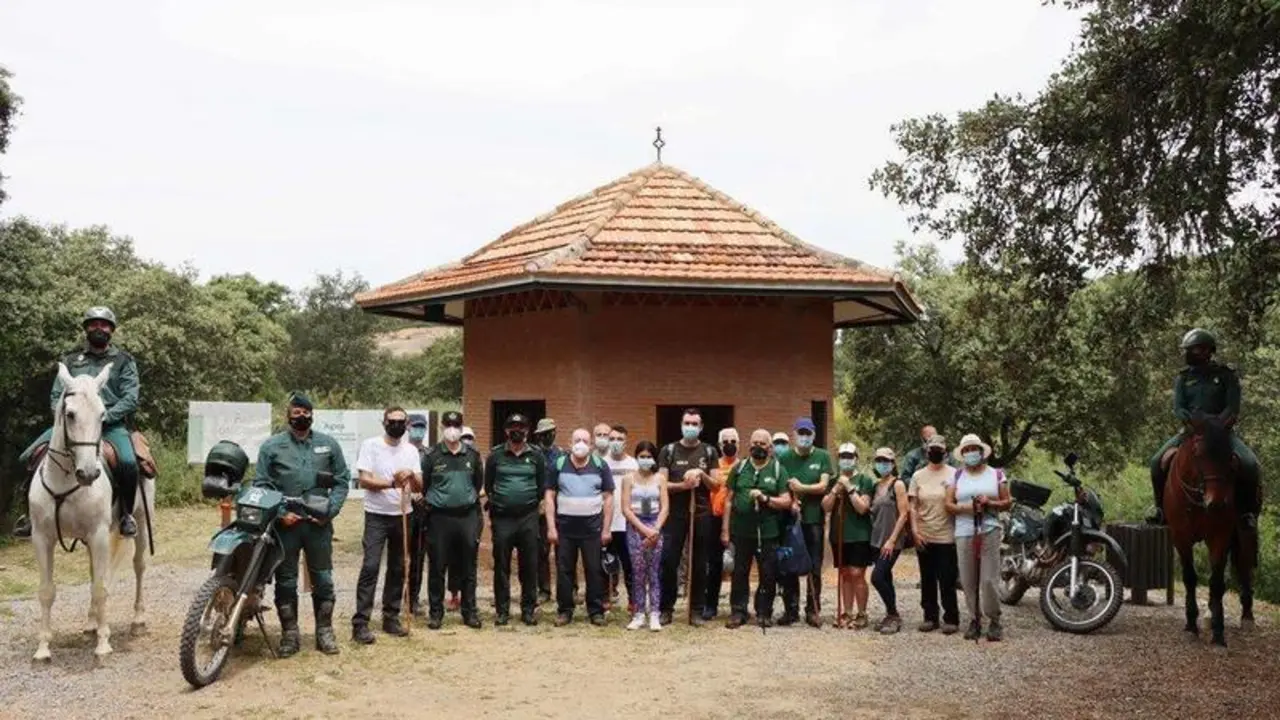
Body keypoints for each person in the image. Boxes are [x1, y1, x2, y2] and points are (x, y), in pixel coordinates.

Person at [16, 307, 142, 538]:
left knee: (128, 463)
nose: (98, 328)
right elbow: (57, 396)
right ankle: (29, 517)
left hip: (110, 426)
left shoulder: (123, 361)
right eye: (93, 323)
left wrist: (102, 418)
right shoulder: (71, 361)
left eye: (104, 324)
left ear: (111, 330)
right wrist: (66, 418)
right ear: (86, 328)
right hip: (71, 426)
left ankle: (125, 515)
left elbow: (130, 398)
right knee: (28, 457)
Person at [256, 393, 351, 656]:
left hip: (318, 524)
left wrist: (329, 511)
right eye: (296, 412)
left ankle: (325, 632)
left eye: (305, 412)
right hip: (285, 525)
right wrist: (280, 513)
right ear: (288, 414)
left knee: (323, 578)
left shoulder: (328, 444)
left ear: (312, 414)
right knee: (286, 580)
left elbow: (342, 480)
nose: (301, 416)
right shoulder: (271, 446)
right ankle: (290, 634)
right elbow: (261, 485)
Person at [1147, 328, 1261, 530]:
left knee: (1251, 464)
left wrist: (1215, 425)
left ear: (1208, 350)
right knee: (1157, 461)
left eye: (1194, 349)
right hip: (1191, 432)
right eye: (1187, 350)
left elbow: (1232, 408)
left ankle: (1247, 513)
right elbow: (1179, 407)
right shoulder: (1183, 378)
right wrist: (1191, 421)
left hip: (1222, 434)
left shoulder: (1226, 376)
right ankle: (1159, 509)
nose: (1188, 354)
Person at [351, 407, 423, 644]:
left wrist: (410, 475)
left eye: (401, 422)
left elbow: (420, 486)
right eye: (392, 421)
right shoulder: (371, 445)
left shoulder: (411, 450)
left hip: (403, 514)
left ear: (407, 424)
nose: (396, 425)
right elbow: (364, 480)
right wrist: (393, 482)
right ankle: (361, 622)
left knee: (398, 567)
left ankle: (390, 617)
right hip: (377, 516)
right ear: (384, 423)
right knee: (371, 566)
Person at [655, 408, 719, 626]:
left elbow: (716, 484)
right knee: (668, 561)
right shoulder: (669, 451)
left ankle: (696, 609)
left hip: (701, 513)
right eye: (687, 423)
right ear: (681, 425)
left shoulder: (709, 452)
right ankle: (666, 608)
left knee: (700, 563)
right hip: (674, 515)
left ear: (701, 427)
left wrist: (701, 475)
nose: (690, 427)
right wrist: (684, 485)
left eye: (694, 424)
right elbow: (661, 484)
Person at [722, 429, 791, 629]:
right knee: (739, 573)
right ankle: (738, 611)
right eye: (755, 443)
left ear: (769, 448)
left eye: (762, 444)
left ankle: (764, 612)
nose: (758, 447)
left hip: (768, 532)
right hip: (741, 532)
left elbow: (786, 500)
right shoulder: (740, 467)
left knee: (767, 573)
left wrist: (766, 499)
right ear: (749, 444)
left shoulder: (778, 469)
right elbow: (728, 500)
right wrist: (725, 530)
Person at [545, 428, 615, 626]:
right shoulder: (558, 464)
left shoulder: (600, 465)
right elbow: (549, 496)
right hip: (565, 529)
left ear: (591, 445)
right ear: (569, 443)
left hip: (592, 529)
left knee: (594, 570)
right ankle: (565, 611)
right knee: (564, 570)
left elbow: (609, 498)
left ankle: (596, 611)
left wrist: (606, 529)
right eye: (577, 440)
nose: (581, 444)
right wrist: (551, 527)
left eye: (585, 440)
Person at [946, 433, 1012, 642]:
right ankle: (974, 619)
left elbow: (1007, 501)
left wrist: (989, 503)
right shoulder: (956, 476)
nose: (970, 453)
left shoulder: (996, 474)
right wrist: (968, 508)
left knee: (988, 580)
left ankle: (994, 620)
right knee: (967, 579)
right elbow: (948, 505)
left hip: (989, 529)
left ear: (981, 452)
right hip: (964, 531)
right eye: (966, 450)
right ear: (962, 454)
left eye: (973, 449)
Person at [422, 411, 484, 630]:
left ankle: (470, 612)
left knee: (468, 566)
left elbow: (477, 484)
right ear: (441, 427)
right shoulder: (431, 456)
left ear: (461, 427)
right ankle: (436, 613)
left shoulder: (473, 455)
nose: (452, 429)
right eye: (448, 424)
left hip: (466, 516)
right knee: (437, 566)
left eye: (456, 425)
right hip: (439, 517)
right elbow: (425, 485)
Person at [486, 413, 547, 626]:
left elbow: (541, 487)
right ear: (506, 431)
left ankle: (528, 610)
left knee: (529, 565)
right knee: (501, 566)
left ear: (528, 430)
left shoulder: (537, 456)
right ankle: (502, 611)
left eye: (521, 426)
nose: (517, 430)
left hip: (528, 518)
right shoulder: (495, 456)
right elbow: (488, 485)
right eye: (512, 426)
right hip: (503, 519)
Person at [778, 417, 833, 627]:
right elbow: (781, 486)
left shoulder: (823, 456)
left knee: (814, 565)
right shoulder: (784, 458)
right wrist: (792, 501)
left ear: (814, 435)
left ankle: (812, 610)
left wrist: (802, 488)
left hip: (813, 520)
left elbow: (823, 486)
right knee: (789, 564)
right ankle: (790, 610)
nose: (804, 437)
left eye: (808, 433)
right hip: (790, 520)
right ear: (794, 435)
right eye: (800, 433)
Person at [908, 435, 960, 634]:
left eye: (939, 449)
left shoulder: (954, 474)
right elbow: (913, 506)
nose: (935, 452)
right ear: (927, 451)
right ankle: (930, 617)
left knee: (947, 579)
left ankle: (951, 618)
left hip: (947, 535)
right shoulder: (918, 476)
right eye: (932, 449)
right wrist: (914, 531)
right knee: (927, 578)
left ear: (945, 451)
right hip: (924, 534)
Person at [822, 443, 875, 629]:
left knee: (857, 573)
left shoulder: (865, 481)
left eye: (849, 456)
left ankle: (862, 613)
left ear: (856, 459)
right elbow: (826, 507)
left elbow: (863, 508)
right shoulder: (834, 481)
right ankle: (846, 612)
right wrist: (836, 489)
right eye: (843, 456)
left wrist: (850, 488)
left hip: (859, 534)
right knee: (844, 574)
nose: (846, 460)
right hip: (839, 535)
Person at [622, 441, 668, 631]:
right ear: (636, 457)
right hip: (635, 527)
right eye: (642, 456)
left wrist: (655, 529)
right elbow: (625, 508)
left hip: (655, 527)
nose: (645, 460)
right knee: (638, 572)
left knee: (654, 572)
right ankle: (639, 613)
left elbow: (665, 507)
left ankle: (655, 613)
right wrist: (643, 529)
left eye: (649, 456)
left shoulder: (660, 478)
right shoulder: (628, 478)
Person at [868, 448, 909, 634]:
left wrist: (892, 540)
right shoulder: (876, 486)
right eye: (879, 460)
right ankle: (890, 615)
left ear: (893, 463)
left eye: (886, 460)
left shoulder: (897, 485)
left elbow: (904, 513)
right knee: (886, 577)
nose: (882, 464)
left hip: (891, 540)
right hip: (876, 539)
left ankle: (894, 614)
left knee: (877, 577)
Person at [704, 427, 740, 621]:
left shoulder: (743, 466)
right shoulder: (714, 466)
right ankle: (710, 605)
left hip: (738, 520)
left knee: (738, 565)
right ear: (719, 445)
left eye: (733, 441)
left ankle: (737, 607)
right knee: (714, 563)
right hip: (714, 519)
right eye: (725, 441)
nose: (729, 445)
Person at [604, 425, 638, 612]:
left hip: (627, 524)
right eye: (613, 439)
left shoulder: (634, 465)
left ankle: (633, 600)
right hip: (606, 523)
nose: (615, 442)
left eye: (619, 439)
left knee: (629, 564)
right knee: (605, 563)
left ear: (626, 442)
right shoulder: (601, 463)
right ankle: (605, 599)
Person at [532, 417, 562, 606]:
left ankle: (570, 589)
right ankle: (543, 589)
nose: (547, 436)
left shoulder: (562, 455)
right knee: (541, 551)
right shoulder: (533, 455)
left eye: (550, 432)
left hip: (561, 508)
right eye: (543, 434)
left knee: (564, 551)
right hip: (539, 509)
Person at [405, 413, 431, 618]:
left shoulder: (429, 454)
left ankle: (413, 598)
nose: (418, 430)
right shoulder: (400, 451)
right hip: (402, 508)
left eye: (421, 427)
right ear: (407, 427)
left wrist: (424, 494)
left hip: (422, 510)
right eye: (415, 426)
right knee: (400, 557)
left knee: (418, 556)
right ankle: (397, 598)